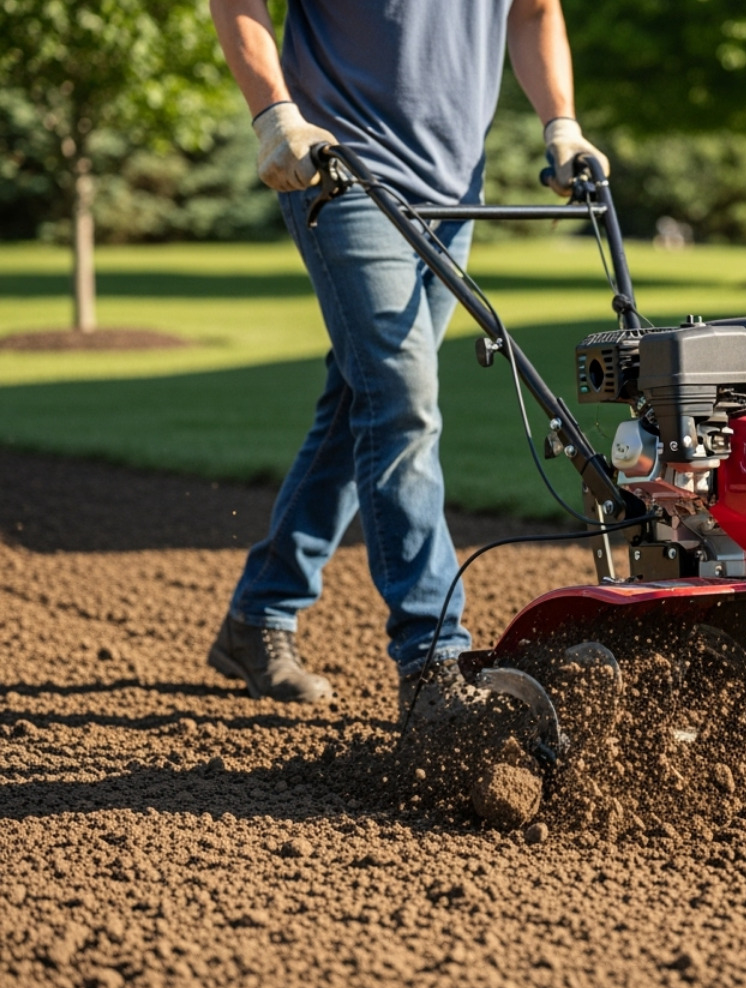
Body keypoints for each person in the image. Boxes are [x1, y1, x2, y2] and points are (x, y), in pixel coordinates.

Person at [205, 0, 607, 714]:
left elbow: (536, 9)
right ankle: (433, 657)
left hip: (456, 191)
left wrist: (562, 124)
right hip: (340, 172)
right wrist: (273, 114)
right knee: (401, 403)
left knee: (365, 397)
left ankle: (259, 613)